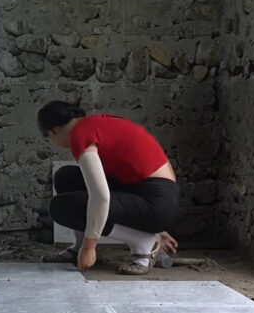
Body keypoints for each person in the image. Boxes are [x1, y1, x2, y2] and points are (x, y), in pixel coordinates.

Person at [37, 101, 180, 274]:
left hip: (156, 203)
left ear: (52, 132)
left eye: (49, 139)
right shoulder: (95, 124)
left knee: (61, 207)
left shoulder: (80, 135)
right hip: (155, 196)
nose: (54, 142)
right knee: (66, 177)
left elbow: (100, 197)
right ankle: (77, 248)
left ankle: (143, 243)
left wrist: (90, 248)